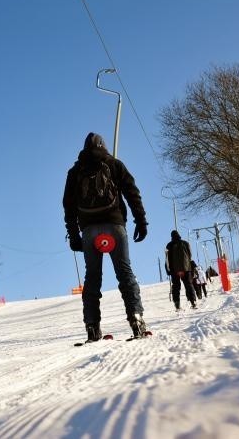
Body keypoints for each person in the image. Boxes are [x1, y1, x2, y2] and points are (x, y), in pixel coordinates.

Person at [63, 132, 150, 341]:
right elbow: (132, 192)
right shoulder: (114, 164)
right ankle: (136, 319)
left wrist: (74, 235)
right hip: (115, 225)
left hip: (89, 230)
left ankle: (92, 326)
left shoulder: (75, 171)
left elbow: (68, 205)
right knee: (125, 273)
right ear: (104, 146)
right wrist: (141, 221)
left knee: (92, 277)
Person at [165, 230, 197, 310]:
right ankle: (193, 302)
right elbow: (190, 255)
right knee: (189, 285)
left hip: (174, 270)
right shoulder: (186, 243)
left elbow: (167, 259)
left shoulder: (169, 245)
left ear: (171, 236)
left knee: (176, 287)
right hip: (186, 268)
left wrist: (168, 270)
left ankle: (177, 305)